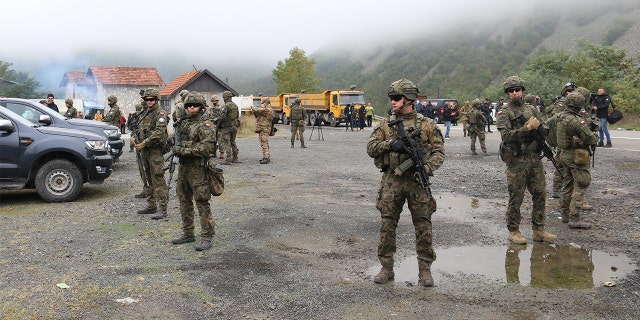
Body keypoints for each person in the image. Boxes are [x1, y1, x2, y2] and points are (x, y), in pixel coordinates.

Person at [367, 79, 445, 287]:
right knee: (387, 224)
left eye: (396, 98)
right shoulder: (385, 124)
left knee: (423, 225)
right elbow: (371, 148)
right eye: (391, 98)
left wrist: (427, 169)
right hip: (392, 181)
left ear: (409, 99)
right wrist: (389, 143)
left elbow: (438, 152)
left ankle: (425, 269)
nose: (392, 102)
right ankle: (386, 267)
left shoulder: (427, 125)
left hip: (417, 182)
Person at [495, 75, 556, 244]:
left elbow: (544, 126)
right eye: (511, 91)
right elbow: (506, 136)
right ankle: (514, 231)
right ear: (507, 93)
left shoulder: (531, 109)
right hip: (517, 160)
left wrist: (540, 129)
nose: (514, 93)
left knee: (540, 193)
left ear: (522, 90)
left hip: (534, 158)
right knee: (516, 196)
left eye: (517, 90)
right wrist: (526, 128)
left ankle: (539, 229)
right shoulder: (504, 112)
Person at [170, 92, 217, 251]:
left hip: (198, 169)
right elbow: (177, 141)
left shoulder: (206, 125)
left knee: (202, 202)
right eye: (188, 105)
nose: (191, 107)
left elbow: (207, 148)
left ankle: (207, 236)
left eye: (195, 105)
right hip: (184, 168)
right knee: (184, 200)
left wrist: (183, 150)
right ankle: (188, 232)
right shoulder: (184, 123)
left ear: (201, 107)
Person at [557, 92, 599, 229]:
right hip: (576, 156)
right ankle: (574, 218)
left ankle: (565, 214)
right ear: (580, 105)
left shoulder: (560, 117)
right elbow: (590, 139)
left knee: (568, 184)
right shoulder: (576, 121)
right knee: (581, 184)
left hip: (564, 154)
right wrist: (595, 133)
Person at [134, 88, 169, 220]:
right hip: (144, 151)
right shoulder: (144, 114)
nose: (148, 102)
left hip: (155, 151)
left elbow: (159, 133)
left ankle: (163, 208)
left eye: (151, 99)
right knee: (147, 178)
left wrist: (144, 143)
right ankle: (151, 204)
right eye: (146, 99)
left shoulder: (160, 114)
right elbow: (137, 128)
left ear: (157, 100)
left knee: (158, 179)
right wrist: (134, 139)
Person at [218, 91, 239, 164]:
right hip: (234, 126)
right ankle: (235, 158)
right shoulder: (235, 105)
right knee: (233, 142)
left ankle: (228, 159)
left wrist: (218, 125)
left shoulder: (225, 106)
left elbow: (222, 117)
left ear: (225, 98)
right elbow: (237, 116)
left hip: (226, 127)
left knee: (227, 142)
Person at [252, 97, 274, 164]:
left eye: (263, 103)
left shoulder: (267, 109)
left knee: (264, 143)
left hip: (264, 128)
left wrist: (251, 106)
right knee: (265, 143)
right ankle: (267, 157)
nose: (262, 104)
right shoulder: (269, 109)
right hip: (265, 128)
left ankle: (266, 158)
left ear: (266, 103)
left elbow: (256, 109)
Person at [205, 95, 225, 160]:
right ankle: (213, 153)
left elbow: (223, 116)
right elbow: (207, 116)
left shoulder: (221, 107)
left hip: (219, 125)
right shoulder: (210, 108)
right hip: (212, 125)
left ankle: (222, 153)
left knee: (220, 140)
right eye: (214, 101)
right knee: (213, 140)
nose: (215, 102)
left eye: (216, 101)